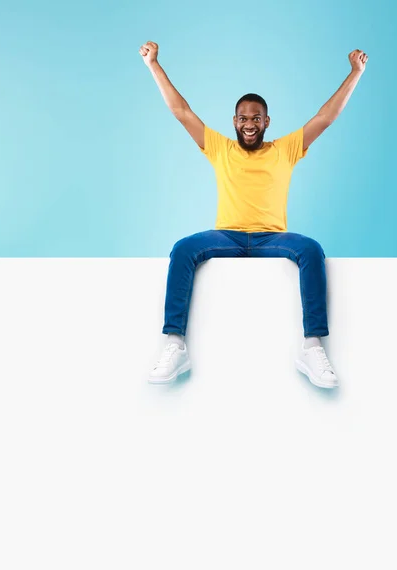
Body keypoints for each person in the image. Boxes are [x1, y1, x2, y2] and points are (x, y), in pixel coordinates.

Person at [139, 41, 368, 389]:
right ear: (234, 121)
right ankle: (174, 344)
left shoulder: (286, 149)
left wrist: (355, 73)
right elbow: (181, 112)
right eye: (244, 118)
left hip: (272, 238)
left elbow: (326, 117)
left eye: (256, 119)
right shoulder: (220, 148)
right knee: (184, 248)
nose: (249, 124)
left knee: (310, 249)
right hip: (226, 235)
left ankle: (312, 347)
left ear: (266, 122)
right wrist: (153, 64)